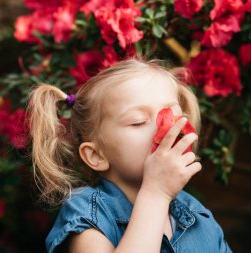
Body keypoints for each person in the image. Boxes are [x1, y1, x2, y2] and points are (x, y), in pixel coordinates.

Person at [28, 57, 232, 253]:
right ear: (96, 155)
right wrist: (155, 194)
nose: (165, 125)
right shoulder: (87, 213)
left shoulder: (198, 215)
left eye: (173, 114)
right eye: (138, 121)